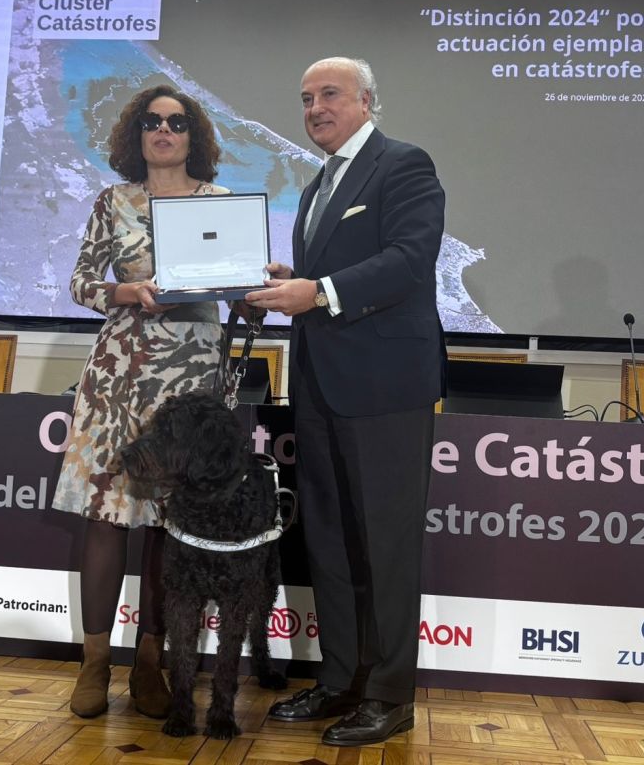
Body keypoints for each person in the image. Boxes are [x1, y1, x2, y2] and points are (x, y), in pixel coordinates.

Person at [246, 57, 446, 746]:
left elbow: (410, 261)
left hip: (385, 388)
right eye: (305, 99)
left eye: (329, 94)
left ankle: (389, 695)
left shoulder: (404, 165)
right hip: (319, 386)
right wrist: (293, 280)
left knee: (385, 544)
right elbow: (327, 276)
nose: (314, 109)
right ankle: (340, 679)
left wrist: (319, 290)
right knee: (329, 541)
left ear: (366, 101)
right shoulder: (318, 184)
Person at [51, 84, 231, 719]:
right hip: (118, 376)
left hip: (190, 379)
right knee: (105, 516)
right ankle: (95, 663)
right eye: (153, 122)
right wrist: (125, 293)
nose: (164, 131)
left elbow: (236, 282)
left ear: (193, 136)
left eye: (177, 122)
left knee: (170, 522)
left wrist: (251, 290)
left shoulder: (221, 204)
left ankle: (152, 663)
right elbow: (80, 282)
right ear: (137, 134)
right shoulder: (113, 202)